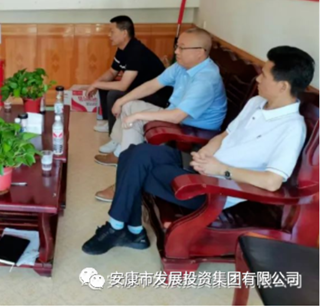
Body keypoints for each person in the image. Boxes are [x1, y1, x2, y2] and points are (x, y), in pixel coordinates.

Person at [82, 46, 315, 255]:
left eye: (264, 75)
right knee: (134, 153)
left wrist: (221, 169)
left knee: (138, 169)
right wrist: (208, 150)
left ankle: (121, 228)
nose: (258, 78)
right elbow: (226, 135)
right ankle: (131, 230)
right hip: (203, 165)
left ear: (283, 86)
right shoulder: (256, 103)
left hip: (215, 189)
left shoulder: (292, 127)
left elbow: (272, 182)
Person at [94, 27, 227, 202]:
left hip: (191, 129)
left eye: (182, 48)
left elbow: (177, 116)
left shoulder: (205, 79)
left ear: (200, 53)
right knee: (129, 105)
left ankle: (125, 181)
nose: (176, 52)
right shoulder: (182, 66)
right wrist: (121, 100)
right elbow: (152, 85)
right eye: (177, 46)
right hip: (176, 117)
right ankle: (121, 157)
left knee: (135, 117)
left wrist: (138, 116)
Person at [87, 16, 171, 155]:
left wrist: (97, 83)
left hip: (156, 95)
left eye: (112, 31)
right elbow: (112, 72)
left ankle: (115, 138)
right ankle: (111, 124)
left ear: (124, 33)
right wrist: (96, 83)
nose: (109, 35)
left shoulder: (136, 51)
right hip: (140, 89)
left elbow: (123, 86)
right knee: (104, 85)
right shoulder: (122, 49)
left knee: (114, 94)